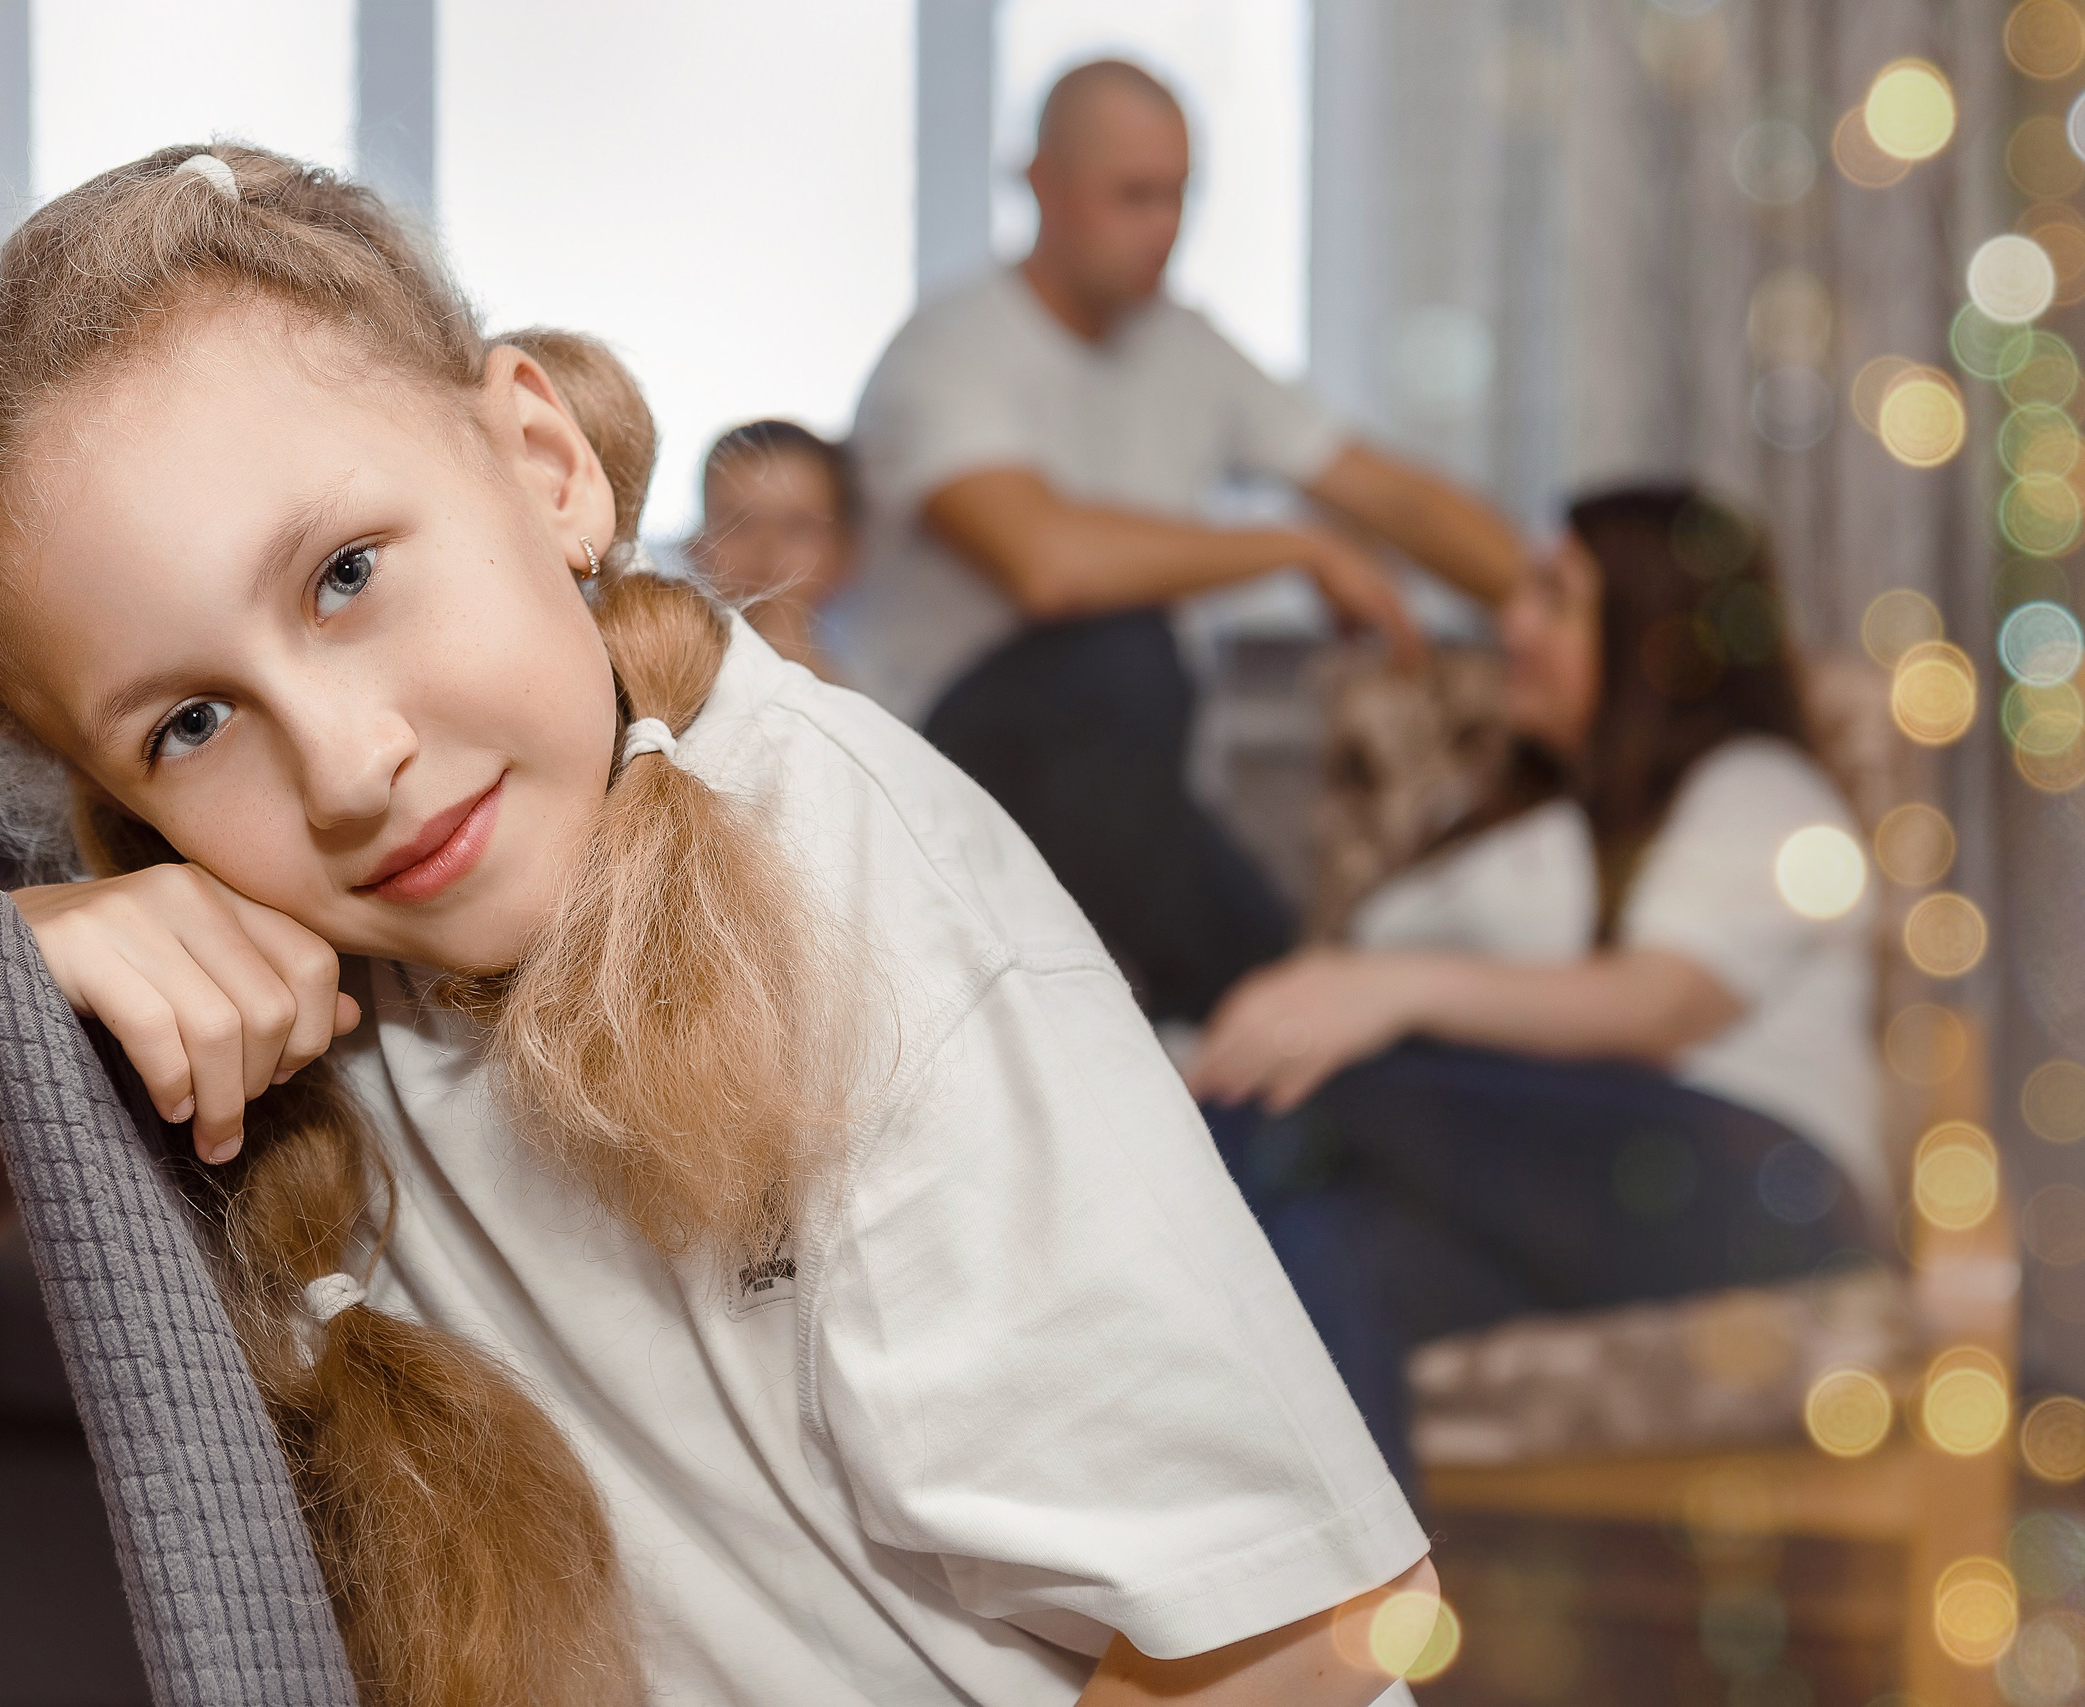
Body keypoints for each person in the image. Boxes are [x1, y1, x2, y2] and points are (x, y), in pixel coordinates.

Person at [0, 148, 1438, 1706]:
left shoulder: (853, 873)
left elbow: (1299, 1630)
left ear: (541, 463)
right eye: (191, 721)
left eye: (348, 573)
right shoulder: (242, 959)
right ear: (127, 795)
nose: (353, 763)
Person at [1189, 485, 1881, 1494]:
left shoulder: (1757, 789)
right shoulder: (1503, 832)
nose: (1509, 626)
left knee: (1277, 1104)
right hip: (1559, 1207)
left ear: (1661, 640)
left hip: (1761, 1189)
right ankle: (1368, 1642)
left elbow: (1659, 1007)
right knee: (1327, 1246)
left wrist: (1381, 992)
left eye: (1552, 601)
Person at [840, 58, 1528, 1024]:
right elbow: (1049, 565)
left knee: (1279, 976)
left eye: (1177, 196)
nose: (1162, 227)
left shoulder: (1189, 348)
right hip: (950, 784)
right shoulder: (946, 354)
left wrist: (1563, 603)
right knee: (1122, 652)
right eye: (1131, 196)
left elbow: (1389, 496)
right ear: (1039, 182)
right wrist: (1298, 549)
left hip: (1128, 797)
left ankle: (1258, 1018)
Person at [688, 417, 858, 681]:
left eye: (796, 527)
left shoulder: (877, 699)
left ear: (844, 550)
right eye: (738, 525)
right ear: (696, 545)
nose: (767, 547)